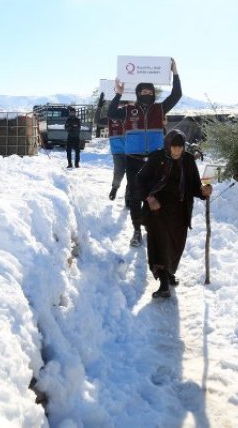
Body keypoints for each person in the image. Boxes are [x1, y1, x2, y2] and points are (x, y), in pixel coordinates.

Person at [107, 57, 182, 247]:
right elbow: (110, 113)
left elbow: (177, 94)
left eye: (149, 92)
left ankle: (152, 226)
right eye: (143, 91)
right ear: (138, 93)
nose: (146, 94)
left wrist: (175, 72)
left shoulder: (160, 108)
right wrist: (118, 94)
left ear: (153, 93)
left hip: (155, 159)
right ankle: (137, 230)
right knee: (135, 194)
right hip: (133, 159)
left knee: (155, 193)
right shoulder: (129, 110)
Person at [137, 129, 212, 298]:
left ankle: (169, 273)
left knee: (176, 246)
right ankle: (164, 284)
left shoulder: (187, 161)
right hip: (158, 209)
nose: (177, 151)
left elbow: (194, 186)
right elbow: (140, 179)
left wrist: (203, 191)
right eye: (174, 147)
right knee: (161, 244)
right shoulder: (157, 158)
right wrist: (149, 198)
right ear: (168, 145)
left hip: (180, 211)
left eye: (180, 147)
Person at [97, 93, 129, 203]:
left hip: (132, 150)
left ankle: (129, 196)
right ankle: (114, 188)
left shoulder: (131, 116)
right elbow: (97, 121)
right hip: (117, 151)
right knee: (118, 172)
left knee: (132, 174)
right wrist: (99, 106)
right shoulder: (110, 118)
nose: (120, 106)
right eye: (119, 104)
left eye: (123, 104)